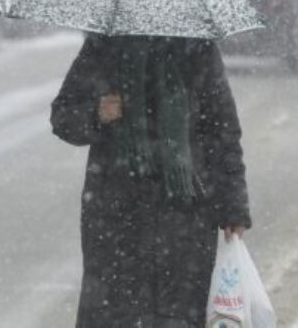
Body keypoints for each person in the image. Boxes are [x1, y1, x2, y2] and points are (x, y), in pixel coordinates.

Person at [51, 33, 251, 328]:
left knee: (179, 313)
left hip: (186, 214)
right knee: (115, 313)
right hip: (115, 214)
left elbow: (223, 132)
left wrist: (234, 205)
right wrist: (97, 113)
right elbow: (63, 117)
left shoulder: (197, 48)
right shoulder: (104, 46)